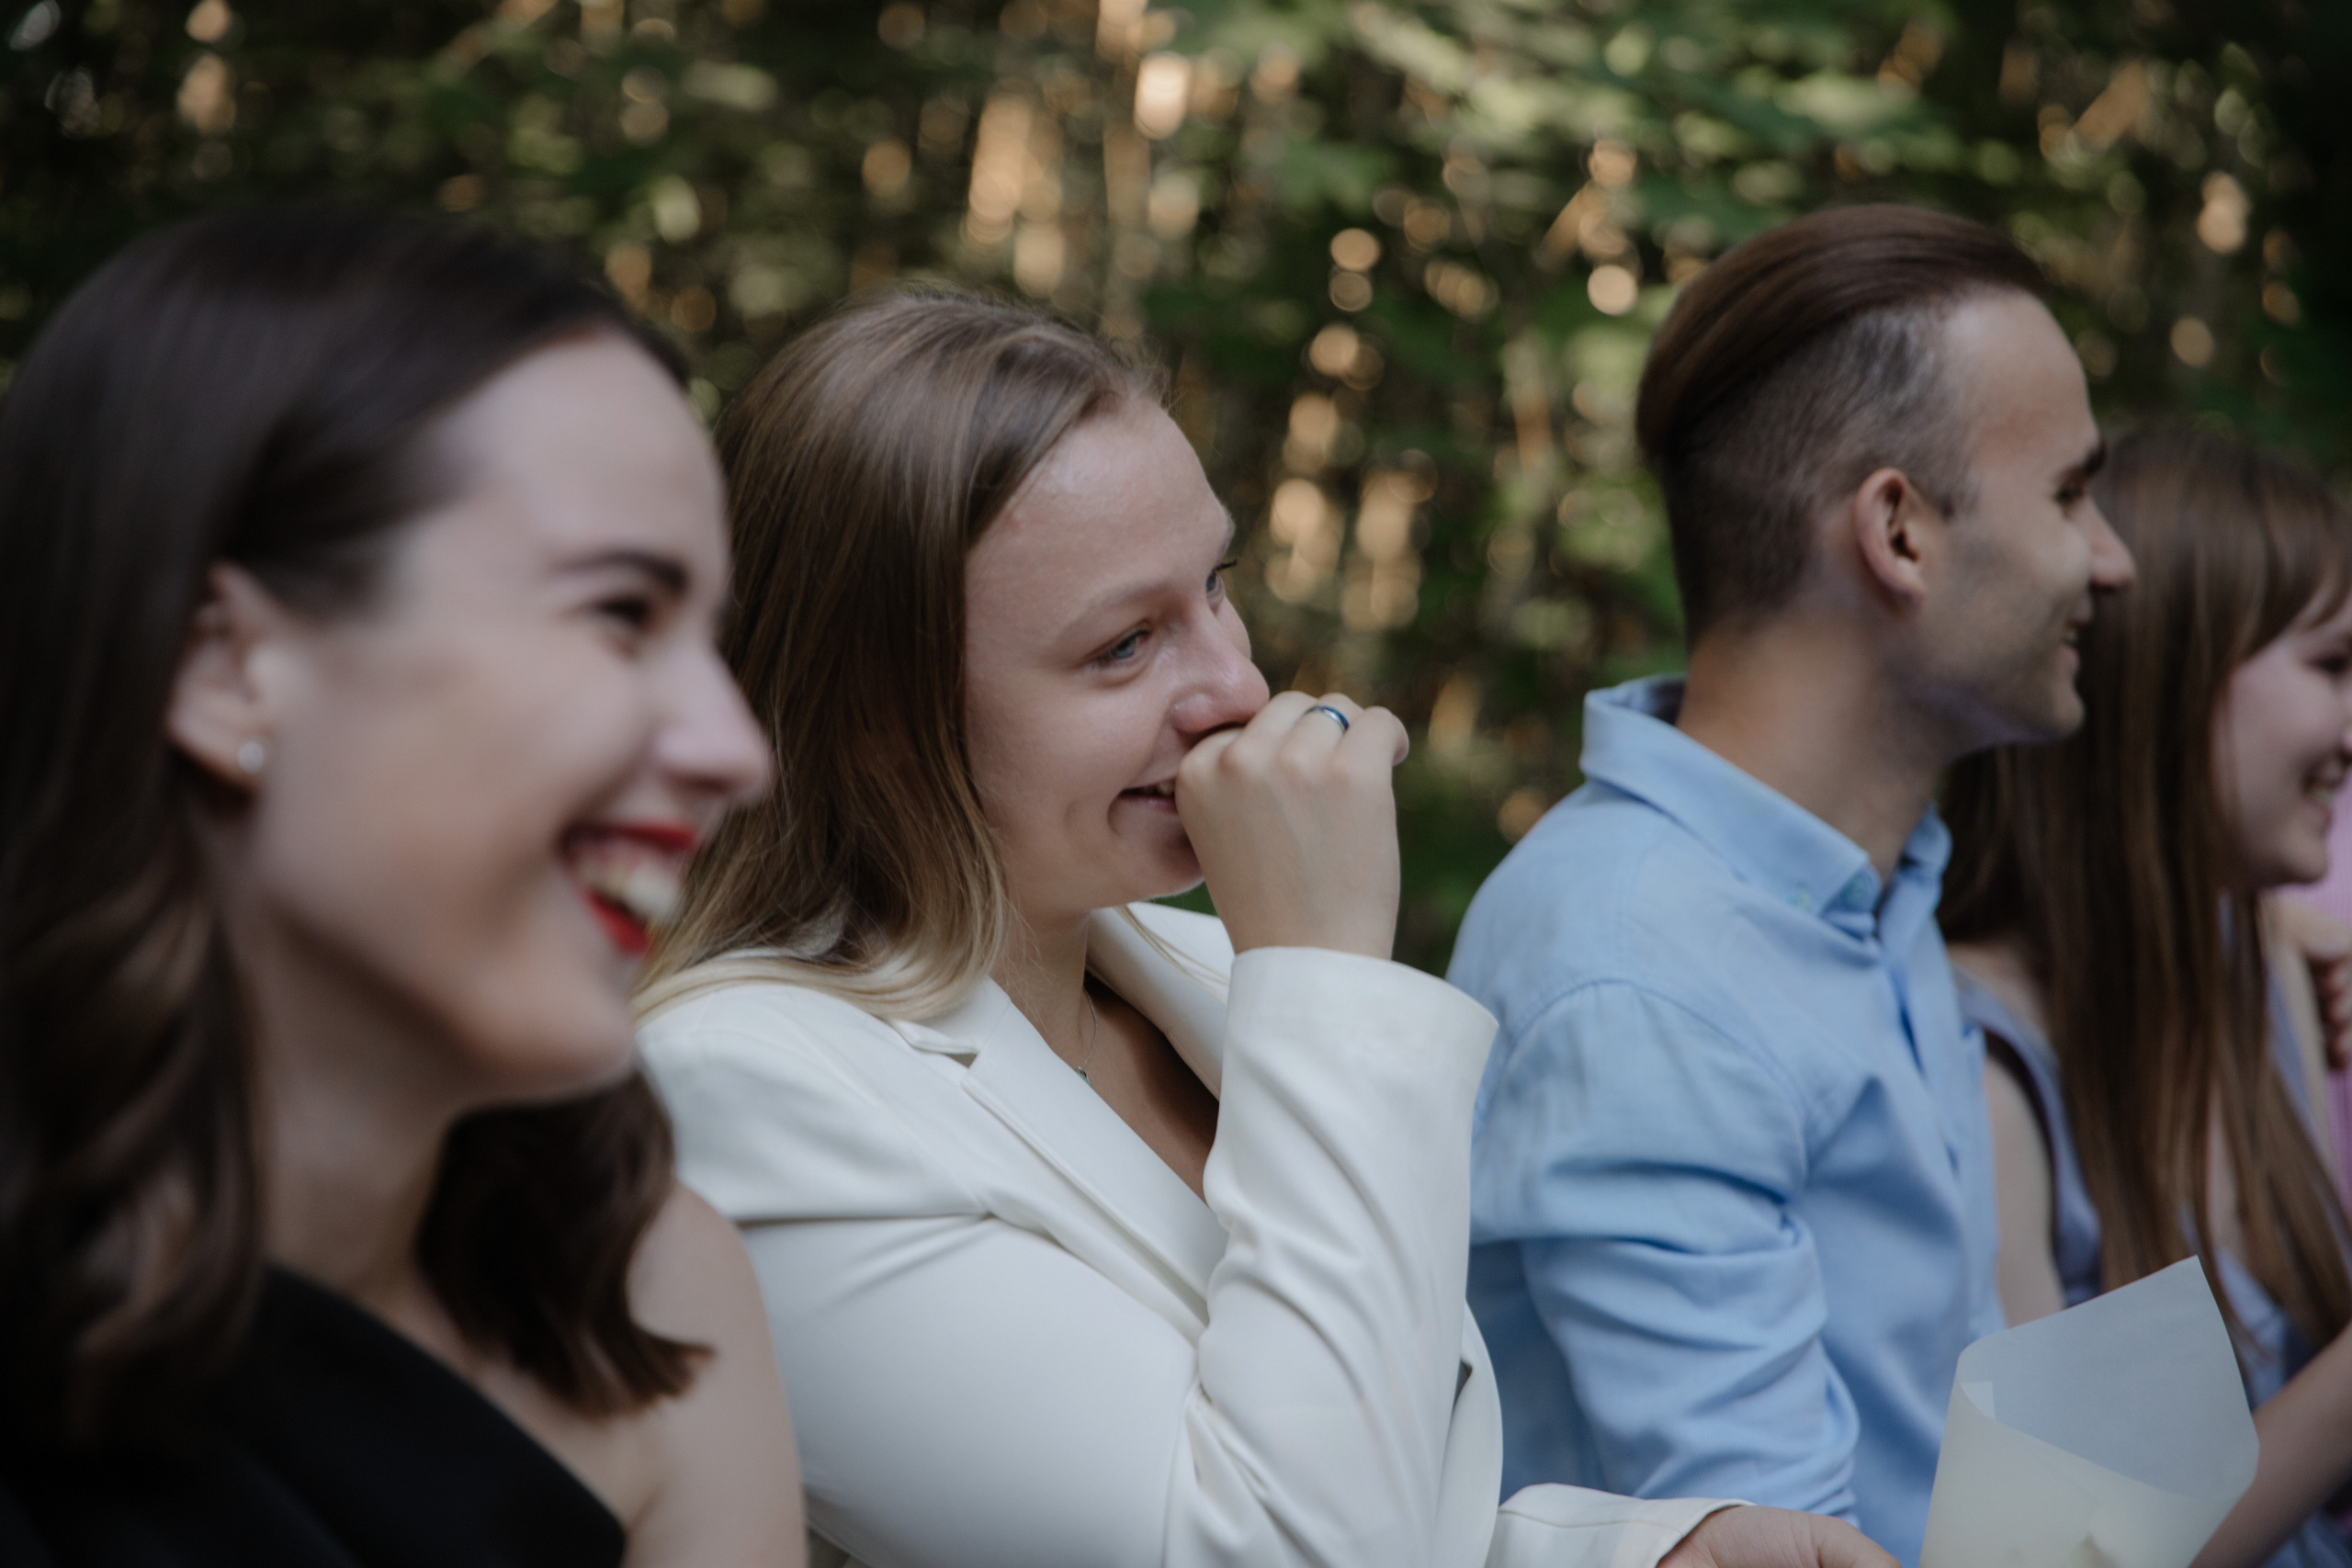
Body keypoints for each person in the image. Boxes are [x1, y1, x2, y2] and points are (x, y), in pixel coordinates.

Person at [636, 287, 1890, 1568]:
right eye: (1125, 645)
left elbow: (1369, 1480)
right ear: (877, 723)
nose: (1237, 685)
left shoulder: (1196, 966)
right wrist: (1328, 972)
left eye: (1216, 588)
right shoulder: (746, 1095)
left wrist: (1639, 1554)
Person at [0, 208, 803, 1567]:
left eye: (713, 643)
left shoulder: (653, 1300)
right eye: (621, 612)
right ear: (222, 667)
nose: (737, 751)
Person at [1450, 204, 2138, 1565]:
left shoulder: (1859, 888)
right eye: (2069, 495)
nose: (2110, 558)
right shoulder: (1645, 975)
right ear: (1899, 531)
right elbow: (1791, 1549)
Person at [1942, 426, 2352, 1568]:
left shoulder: (2257, 962)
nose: (2351, 729)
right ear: (2169, 683)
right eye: (2329, 666)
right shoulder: (1982, 1074)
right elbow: (2049, 1557)